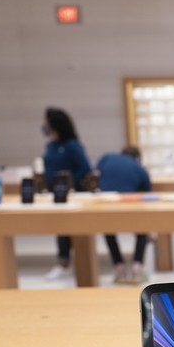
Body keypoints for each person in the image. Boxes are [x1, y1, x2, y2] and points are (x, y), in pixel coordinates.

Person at [42, 107, 92, 281]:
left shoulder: (72, 145)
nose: (44, 125)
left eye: (47, 123)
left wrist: (69, 184)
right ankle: (63, 262)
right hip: (55, 194)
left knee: (74, 228)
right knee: (60, 228)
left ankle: (81, 264)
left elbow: (85, 168)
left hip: (73, 194)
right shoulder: (50, 146)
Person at [96, 146, 152, 284]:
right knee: (142, 230)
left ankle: (119, 267)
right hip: (129, 205)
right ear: (138, 158)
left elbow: (94, 174)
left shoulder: (107, 157)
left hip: (105, 203)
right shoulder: (140, 169)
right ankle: (137, 267)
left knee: (109, 231)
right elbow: (146, 195)